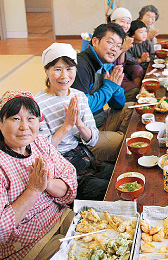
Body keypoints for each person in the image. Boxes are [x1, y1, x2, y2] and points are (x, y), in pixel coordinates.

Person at [0, 90, 77, 260]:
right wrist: (34, 189)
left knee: (102, 236)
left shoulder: (40, 143)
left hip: (60, 217)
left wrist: (47, 183)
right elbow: (1, 229)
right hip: (27, 244)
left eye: (31, 118)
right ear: (0, 123)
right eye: (15, 119)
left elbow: (70, 179)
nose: (24, 127)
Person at [35, 42, 114, 201]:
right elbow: (40, 150)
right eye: (58, 69)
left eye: (69, 69)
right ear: (46, 70)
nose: (64, 76)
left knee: (120, 176)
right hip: (60, 167)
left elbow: (93, 140)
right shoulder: (36, 105)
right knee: (108, 191)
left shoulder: (79, 96)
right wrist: (67, 126)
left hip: (85, 157)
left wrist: (79, 123)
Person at [71, 23, 134, 162]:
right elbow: (82, 108)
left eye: (118, 46)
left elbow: (118, 105)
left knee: (131, 109)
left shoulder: (105, 64)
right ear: (95, 41)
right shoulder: (81, 65)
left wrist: (115, 87)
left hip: (98, 121)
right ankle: (98, 158)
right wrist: (109, 87)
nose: (114, 49)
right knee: (125, 143)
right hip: (83, 135)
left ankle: (109, 154)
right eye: (110, 42)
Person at [108, 7, 143, 101]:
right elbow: (108, 60)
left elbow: (121, 63)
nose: (125, 25)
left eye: (128, 23)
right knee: (134, 92)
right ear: (113, 21)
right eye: (122, 21)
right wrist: (122, 48)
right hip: (108, 72)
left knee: (137, 70)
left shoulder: (123, 37)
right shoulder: (109, 36)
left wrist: (123, 50)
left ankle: (136, 92)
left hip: (119, 68)